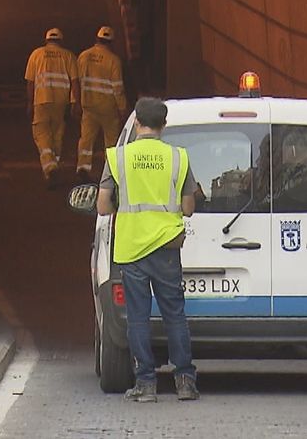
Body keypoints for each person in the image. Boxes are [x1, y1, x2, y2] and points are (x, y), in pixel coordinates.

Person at [97, 97, 200, 402]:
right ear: (163, 126)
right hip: (167, 247)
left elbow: (103, 205)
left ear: (137, 123)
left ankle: (146, 384)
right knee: (175, 316)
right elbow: (189, 207)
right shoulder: (178, 158)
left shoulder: (118, 158)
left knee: (138, 317)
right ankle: (184, 382)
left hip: (131, 249)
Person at [24, 28, 80, 186]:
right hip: (61, 101)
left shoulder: (36, 54)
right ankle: (52, 168)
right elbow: (75, 82)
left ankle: (50, 167)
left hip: (41, 99)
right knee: (57, 133)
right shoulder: (68, 56)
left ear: (46, 40)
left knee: (41, 134)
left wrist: (30, 102)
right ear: (61, 41)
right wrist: (75, 103)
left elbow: (30, 82)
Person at [75, 26, 128, 182]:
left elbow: (77, 82)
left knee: (86, 139)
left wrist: (76, 102)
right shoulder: (114, 60)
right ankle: (109, 173)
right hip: (108, 108)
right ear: (111, 42)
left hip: (89, 106)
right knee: (111, 142)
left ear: (97, 39)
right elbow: (117, 88)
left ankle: (82, 168)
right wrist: (123, 108)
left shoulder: (83, 56)